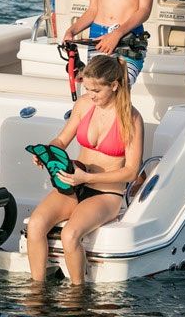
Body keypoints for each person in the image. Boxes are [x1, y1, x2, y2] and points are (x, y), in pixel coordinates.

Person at [26, 54, 144, 285]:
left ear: (114, 85)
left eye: (96, 91)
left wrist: (87, 177)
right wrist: (46, 153)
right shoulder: (83, 105)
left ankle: (77, 296)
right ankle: (36, 293)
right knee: (36, 224)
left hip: (105, 193)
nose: (91, 95)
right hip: (73, 182)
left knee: (70, 235)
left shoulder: (131, 118)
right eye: (87, 88)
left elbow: (131, 171)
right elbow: (61, 140)